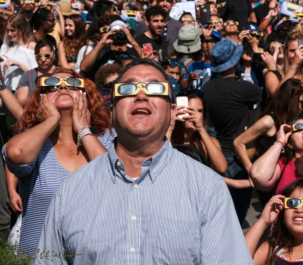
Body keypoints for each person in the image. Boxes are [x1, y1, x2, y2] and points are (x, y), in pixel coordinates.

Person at [35, 59, 253, 264]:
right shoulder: (71, 190)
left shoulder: (207, 188)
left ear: (171, 111)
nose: (141, 95)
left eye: (155, 88)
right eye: (127, 89)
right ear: (111, 112)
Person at [4, 69, 112, 256]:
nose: (63, 86)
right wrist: (51, 120)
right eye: (52, 85)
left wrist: (84, 131)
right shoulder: (35, 144)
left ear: (85, 95)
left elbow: (116, 179)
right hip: (37, 258)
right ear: (42, 99)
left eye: (72, 84)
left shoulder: (107, 139)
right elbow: (15, 153)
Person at [203, 39, 262, 223]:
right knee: (238, 209)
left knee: (221, 207)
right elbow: (272, 95)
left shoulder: (207, 88)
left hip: (219, 151)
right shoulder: (244, 89)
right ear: (235, 62)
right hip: (240, 154)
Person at [250, 119, 303, 194]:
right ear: (290, 143)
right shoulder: (284, 163)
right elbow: (258, 177)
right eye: (299, 128)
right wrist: (280, 142)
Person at [167, 93, 228, 174]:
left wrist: (201, 129)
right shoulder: (168, 140)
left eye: (200, 111)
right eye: (190, 110)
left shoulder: (207, 143)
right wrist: (170, 127)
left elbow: (221, 168)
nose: (196, 115)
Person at [0, 14, 38, 92]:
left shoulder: (33, 47)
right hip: (7, 91)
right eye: (8, 30)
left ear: (22, 29)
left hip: (25, 93)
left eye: (12, 30)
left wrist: (18, 64)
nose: (9, 34)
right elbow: (2, 76)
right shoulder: (5, 46)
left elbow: (35, 75)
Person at [16, 40, 56, 106]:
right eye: (39, 56)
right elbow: (21, 101)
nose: (43, 60)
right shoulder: (27, 75)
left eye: (47, 56)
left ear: (53, 55)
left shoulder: (62, 73)